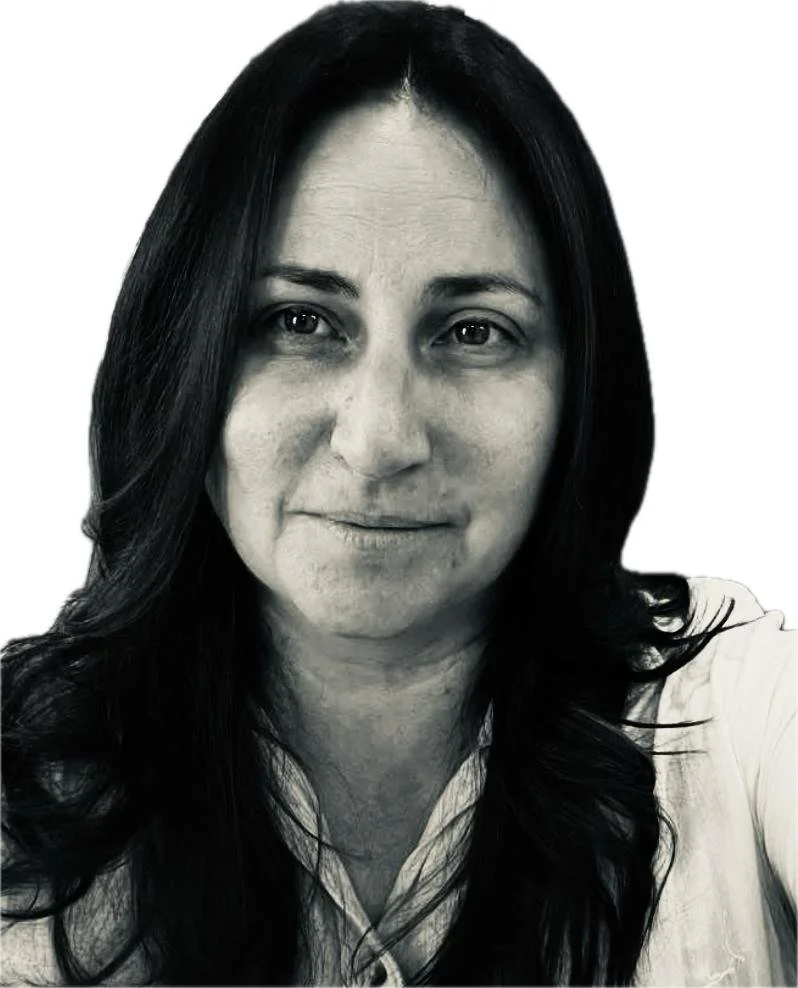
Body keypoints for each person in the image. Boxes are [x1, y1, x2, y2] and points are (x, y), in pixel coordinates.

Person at [1, 2, 794, 984]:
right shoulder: (22, 793)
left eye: (474, 331)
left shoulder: (740, 712)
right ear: (185, 364)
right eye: (299, 319)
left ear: (580, 393)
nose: (379, 440)